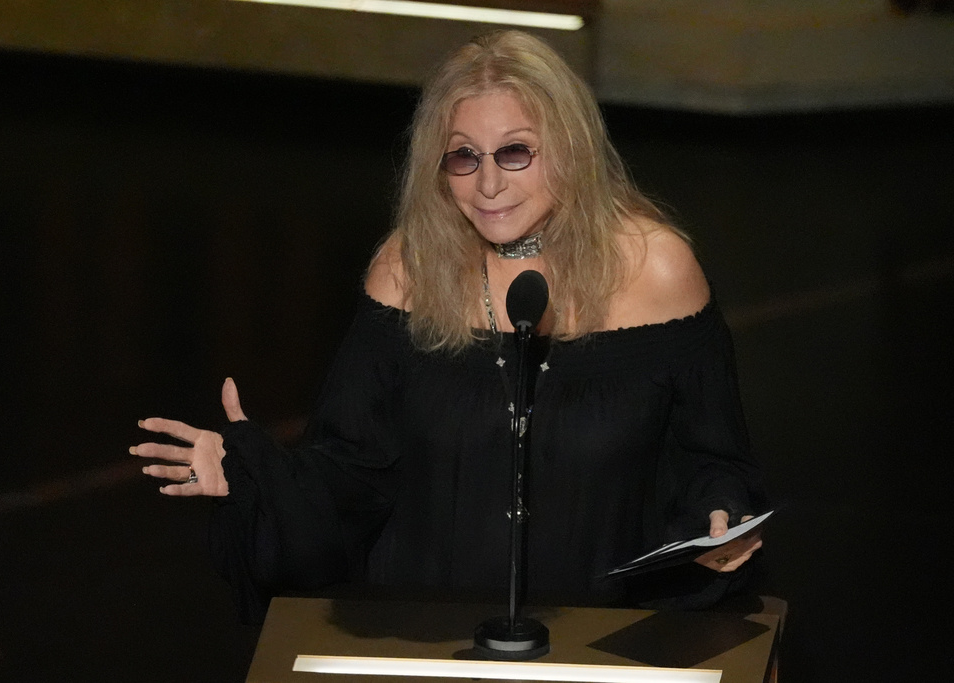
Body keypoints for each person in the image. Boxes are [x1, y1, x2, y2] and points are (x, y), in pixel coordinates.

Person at [131, 30, 765, 623]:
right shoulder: (408, 268)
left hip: (597, 637)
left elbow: (711, 456)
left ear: (572, 148)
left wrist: (721, 514)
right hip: (431, 631)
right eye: (463, 156)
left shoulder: (655, 268)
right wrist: (250, 475)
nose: (488, 183)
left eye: (516, 152)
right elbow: (353, 469)